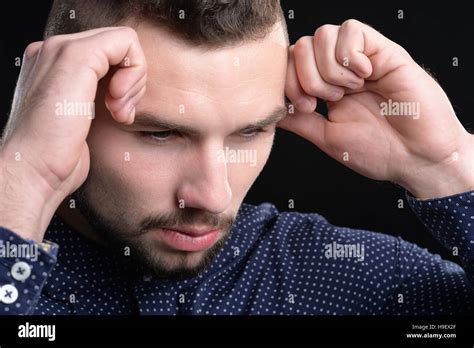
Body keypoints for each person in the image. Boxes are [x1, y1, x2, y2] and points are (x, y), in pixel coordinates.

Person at [0, 0, 472, 315]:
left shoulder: (342, 276)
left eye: (250, 132)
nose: (213, 195)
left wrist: (448, 165)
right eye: (160, 134)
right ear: (64, 109)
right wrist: (24, 182)